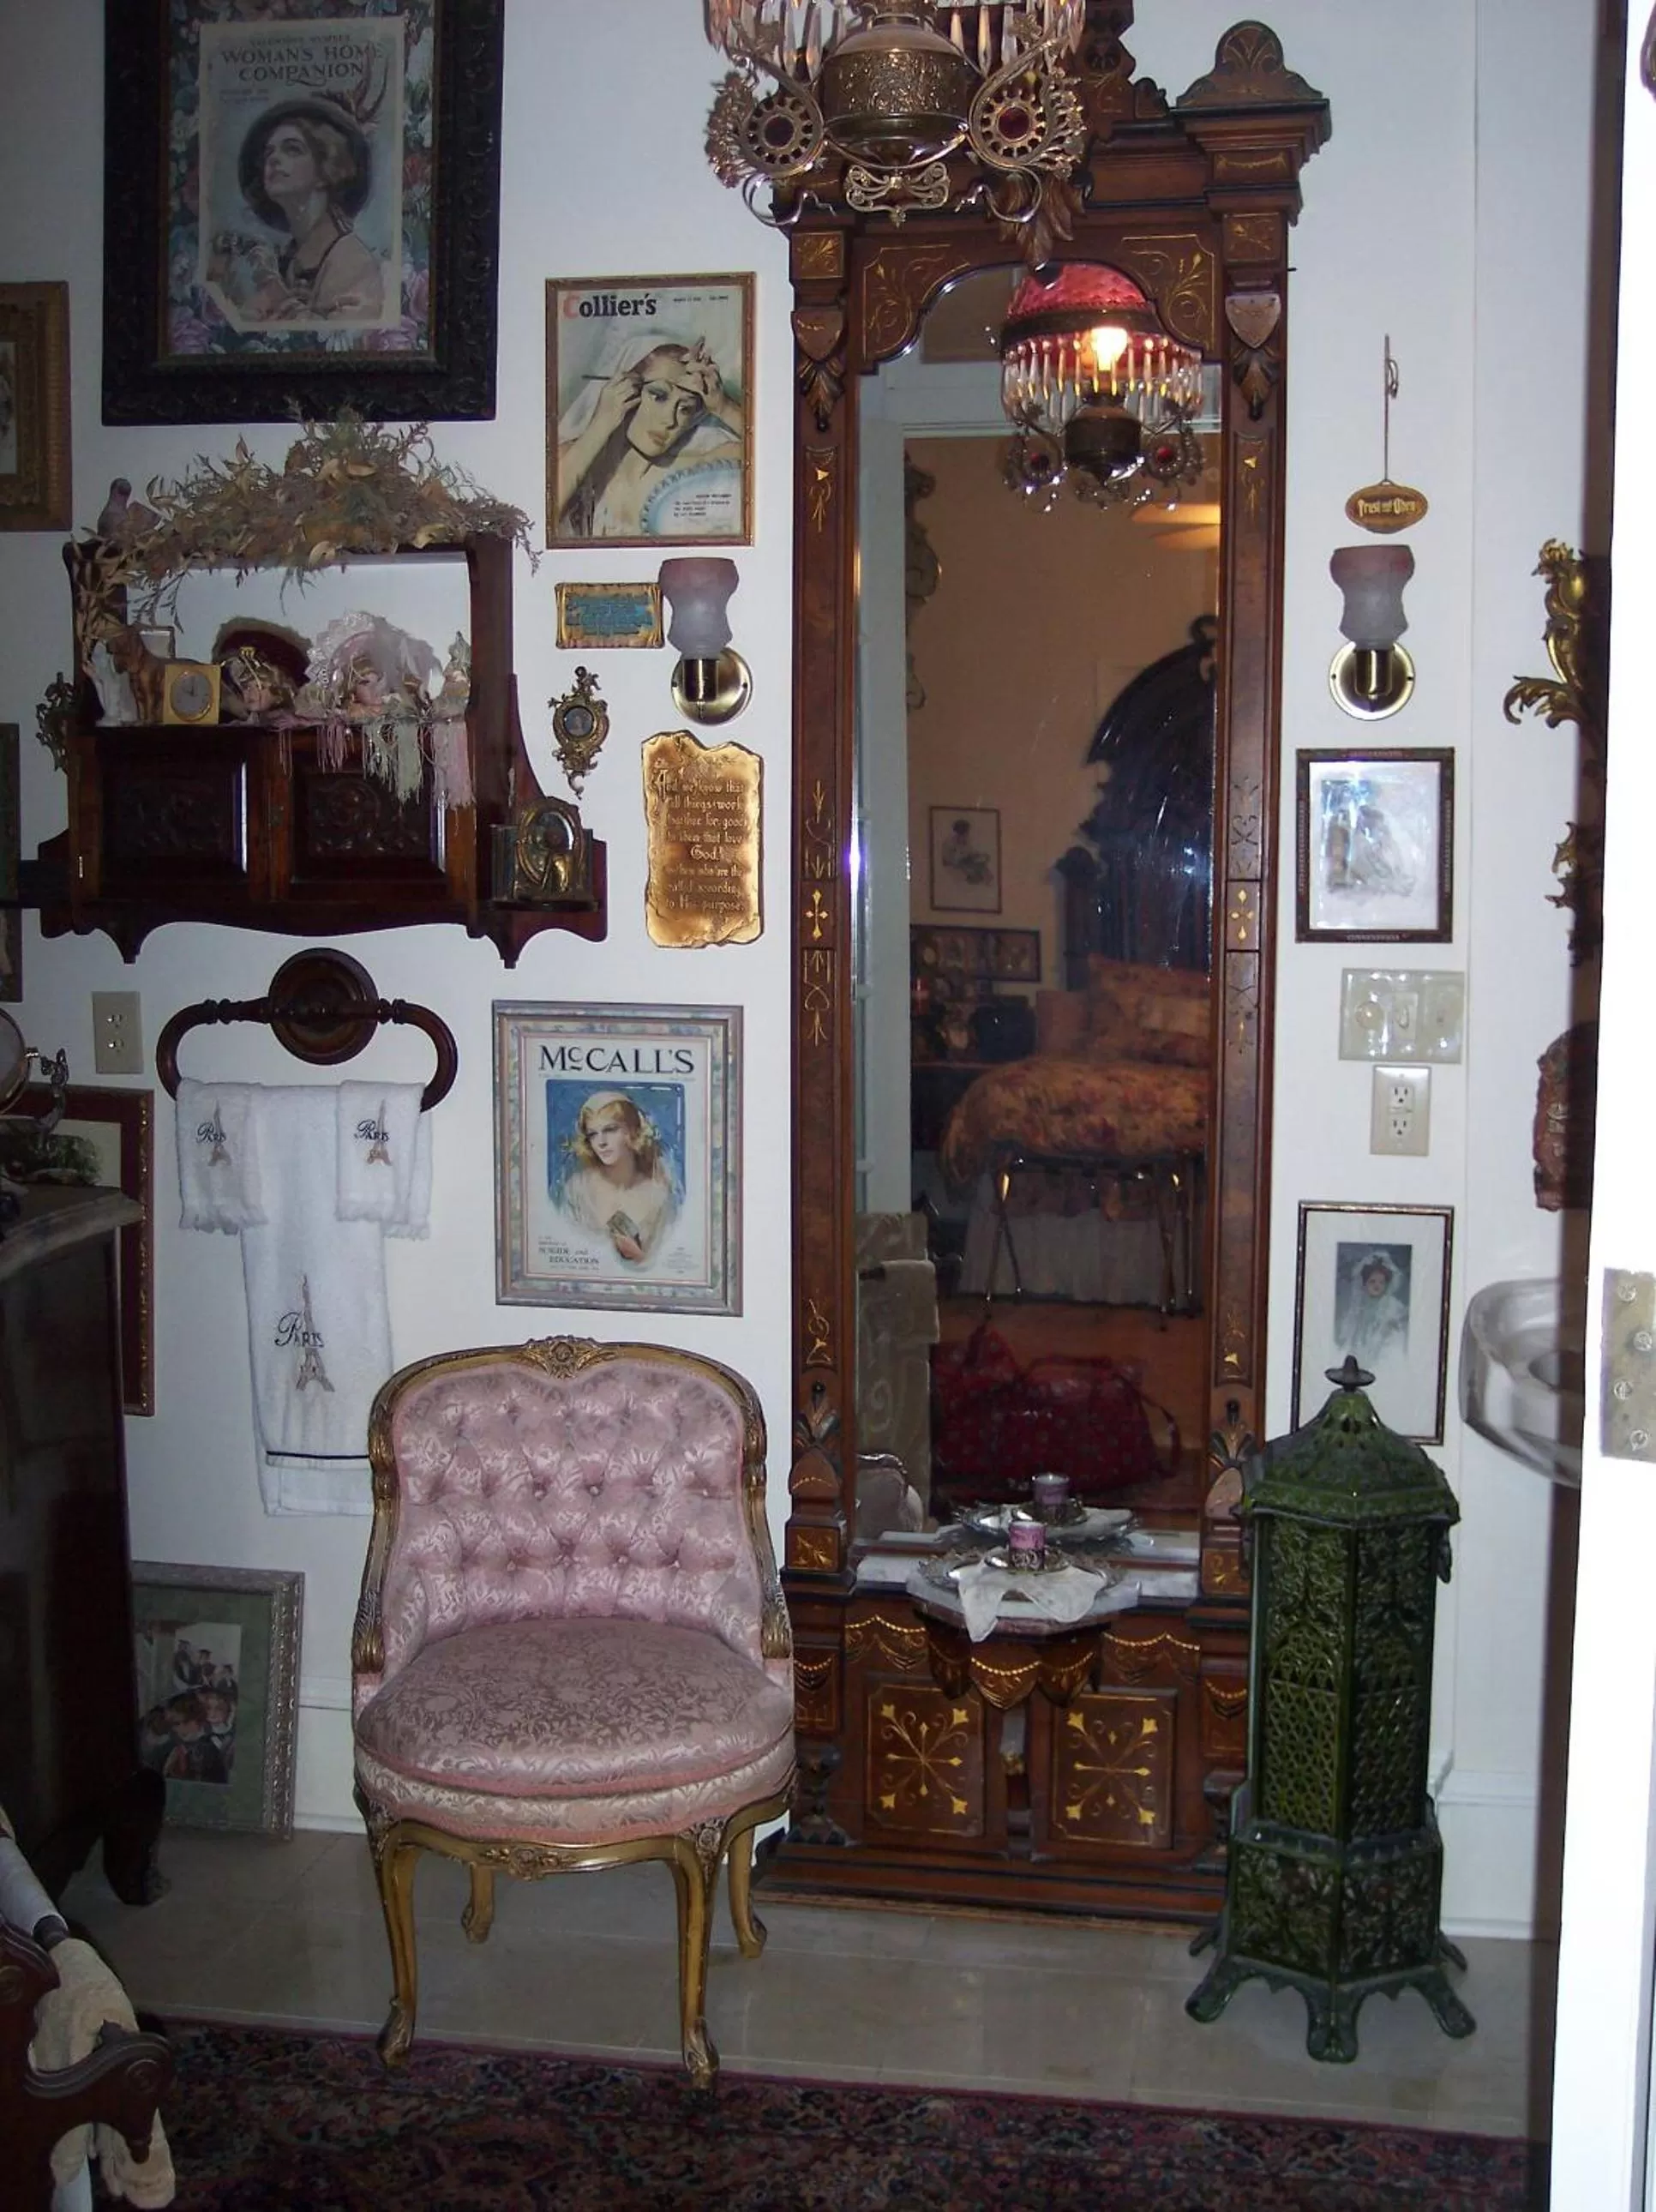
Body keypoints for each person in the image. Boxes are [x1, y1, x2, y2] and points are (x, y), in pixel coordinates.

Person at [213, 99, 383, 324]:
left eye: (293, 149)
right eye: (268, 153)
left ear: (327, 170)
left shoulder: (352, 262)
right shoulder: (285, 260)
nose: (273, 159)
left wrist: (271, 289)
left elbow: (341, 341)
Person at [555, 337, 744, 539]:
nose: (669, 420)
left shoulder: (694, 472)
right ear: (622, 389)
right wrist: (602, 422)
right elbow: (536, 519)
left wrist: (724, 408)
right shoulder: (571, 461)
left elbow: (773, 453)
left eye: (685, 409)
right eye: (658, 395)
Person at [556, 1090, 677, 1265]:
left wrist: (639, 1257)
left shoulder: (658, 1196)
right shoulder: (578, 1189)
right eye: (593, 1134)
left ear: (633, 1131)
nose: (601, 1142)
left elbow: (665, 1264)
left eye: (611, 1129)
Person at [1337, 1248, 1410, 1370]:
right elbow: (1351, 1339)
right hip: (1361, 1354)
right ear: (1364, 1284)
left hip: (1385, 1354)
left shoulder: (1393, 1307)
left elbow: (1396, 1338)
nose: (1377, 1286)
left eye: (1382, 1282)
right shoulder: (1359, 1307)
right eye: (1372, 1281)